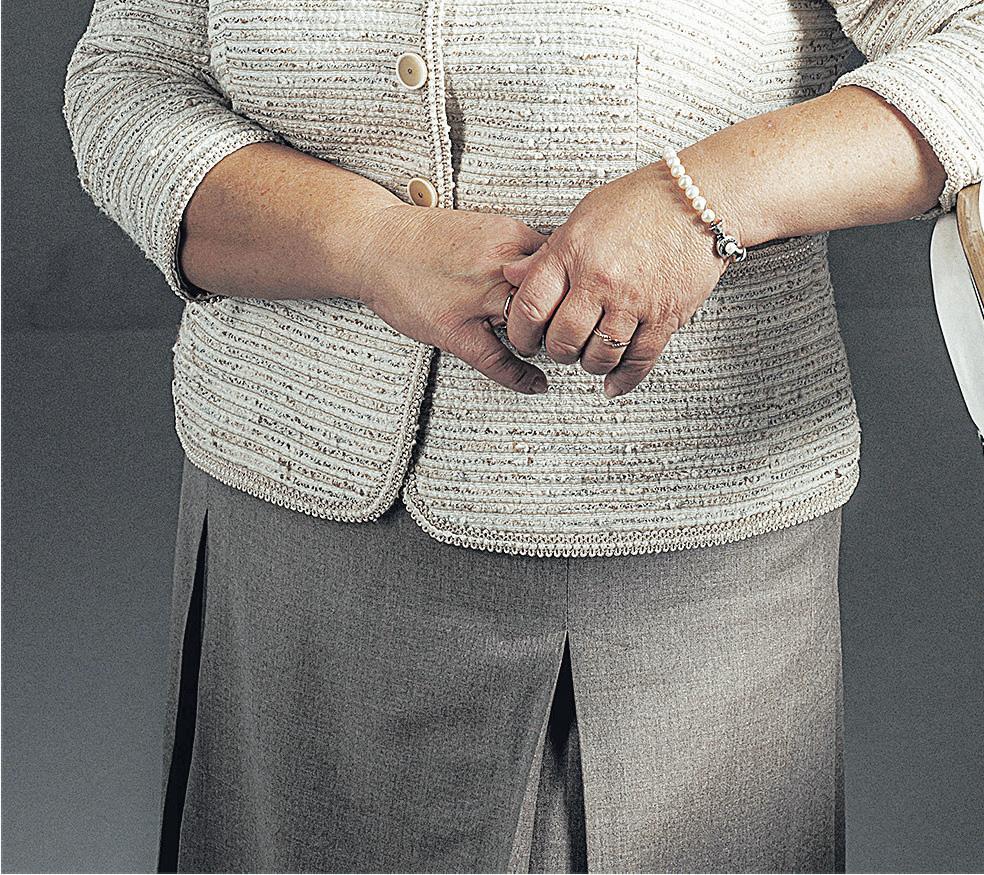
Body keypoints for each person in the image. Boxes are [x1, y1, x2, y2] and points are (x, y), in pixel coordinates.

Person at [63, 1, 983, 872]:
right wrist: (366, 243)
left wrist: (702, 200)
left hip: (671, 569)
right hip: (283, 540)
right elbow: (129, 75)